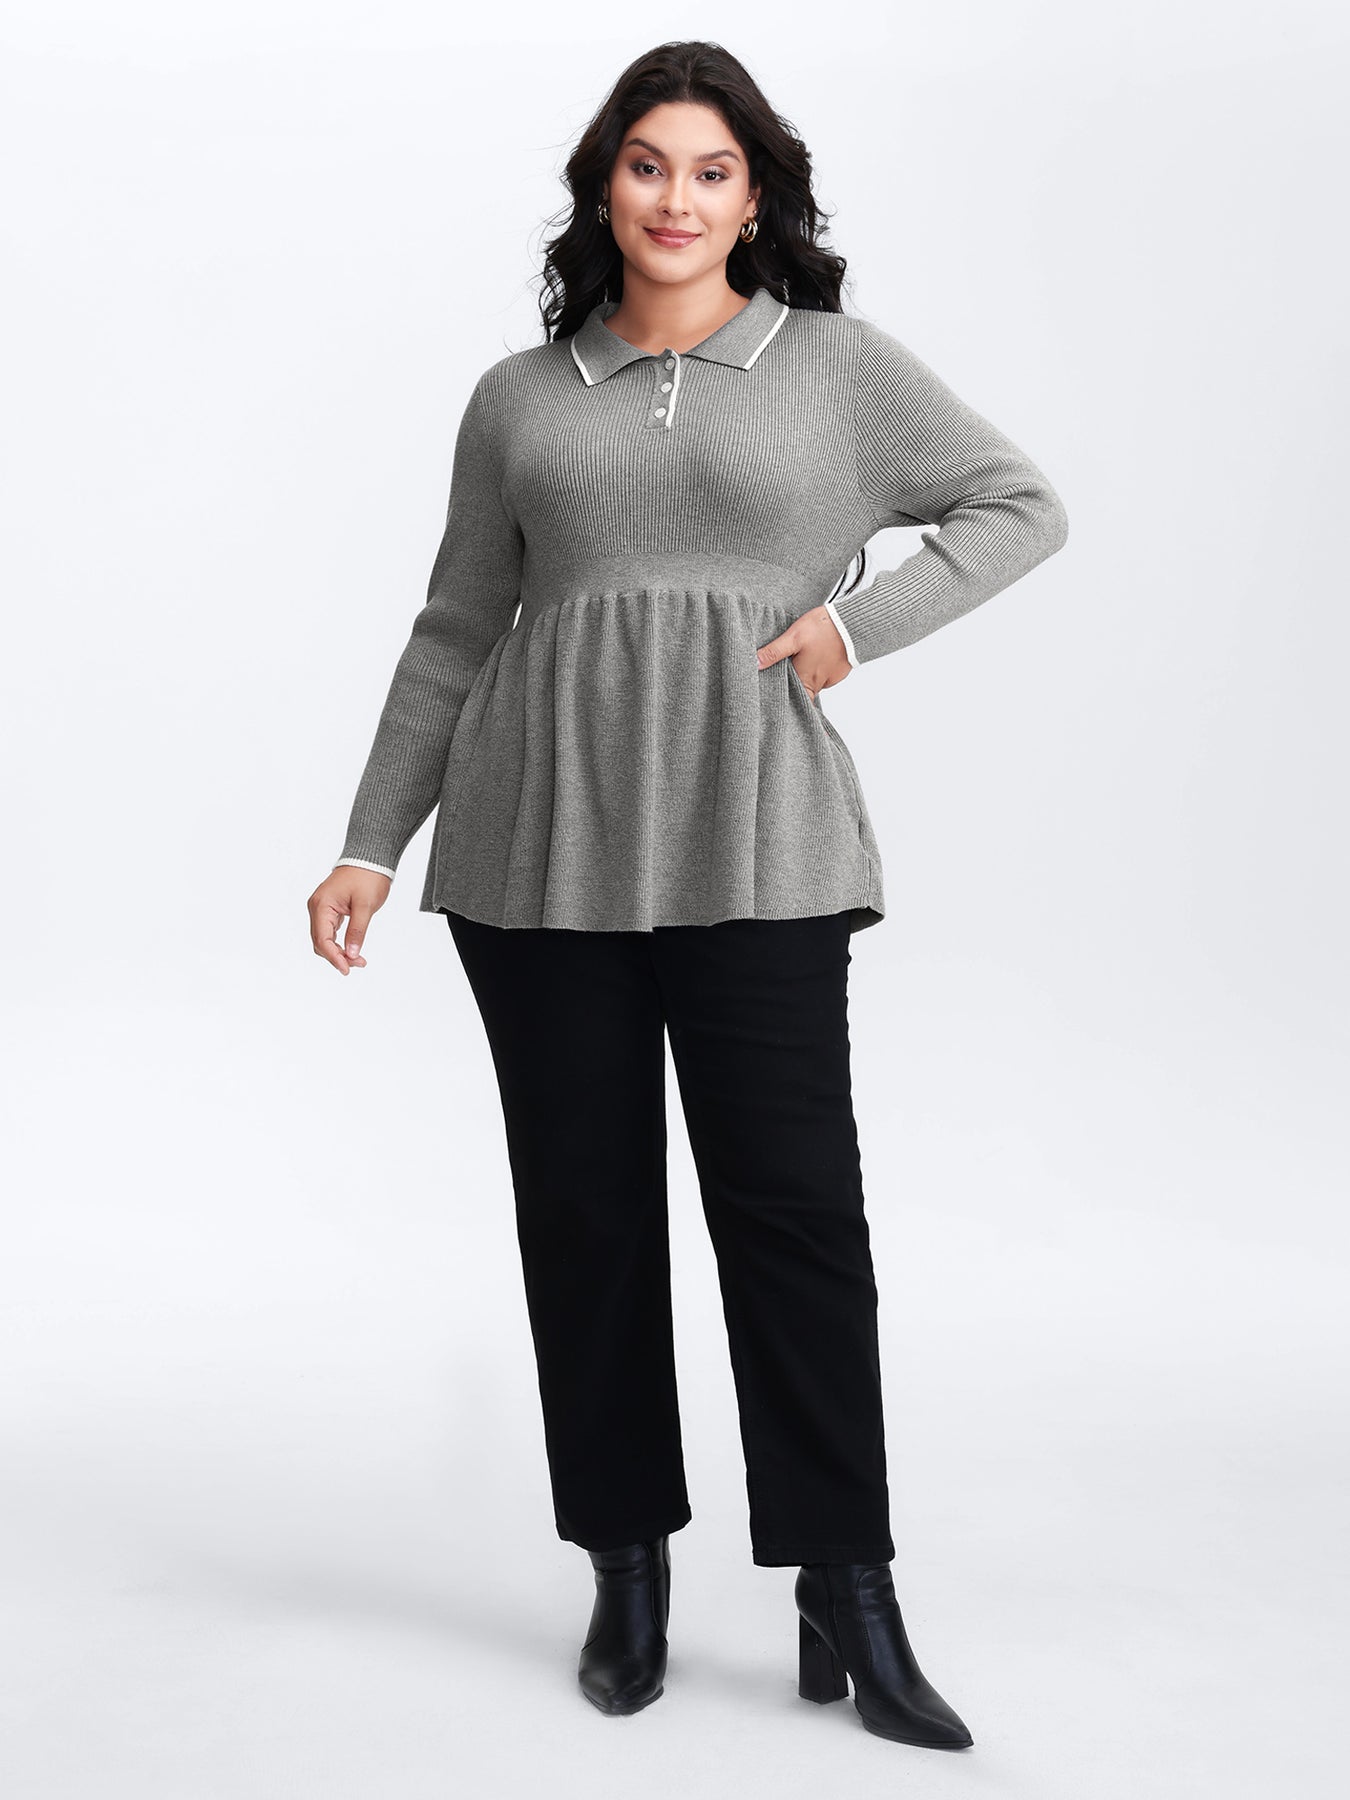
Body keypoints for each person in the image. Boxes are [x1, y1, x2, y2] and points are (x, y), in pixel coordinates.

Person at [307, 40, 1067, 1749]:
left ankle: (844, 1583)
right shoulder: (519, 395)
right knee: (583, 1218)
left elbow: (1017, 504)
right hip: (534, 844)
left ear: (754, 195)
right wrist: (369, 842)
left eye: (710, 171)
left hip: (758, 836)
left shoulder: (837, 368)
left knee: (794, 1219)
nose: (675, 198)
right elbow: (455, 625)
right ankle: (625, 1564)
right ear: (604, 185)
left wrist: (856, 626)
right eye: (646, 164)